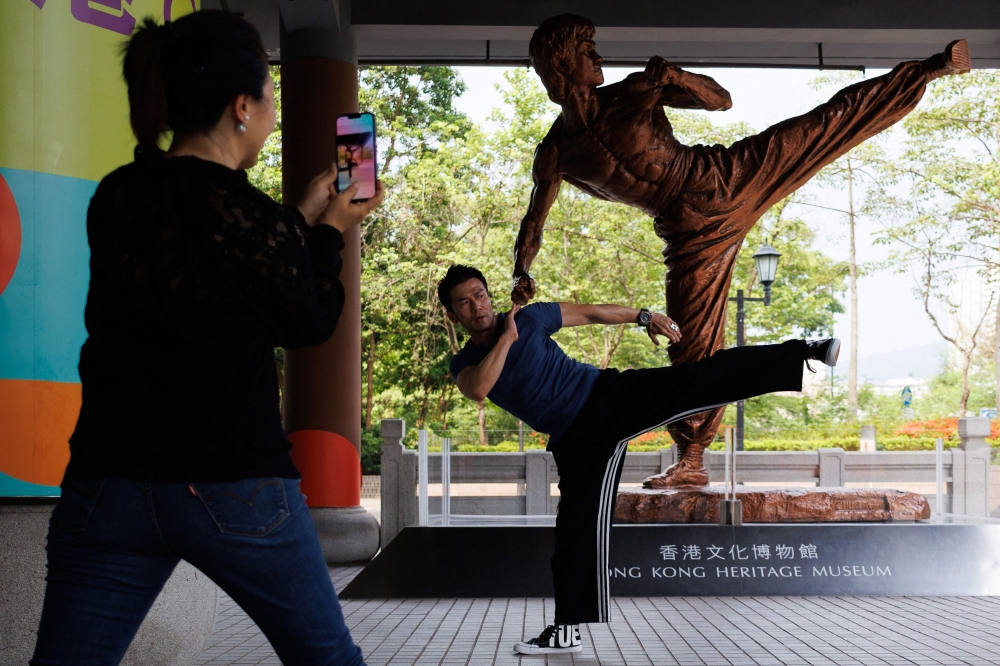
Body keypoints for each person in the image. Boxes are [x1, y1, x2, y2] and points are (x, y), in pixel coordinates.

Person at [31, 12, 383, 666]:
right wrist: (329, 230)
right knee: (327, 659)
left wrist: (298, 219)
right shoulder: (254, 221)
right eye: (271, 99)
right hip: (233, 483)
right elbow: (305, 321)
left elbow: (199, 266)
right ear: (242, 107)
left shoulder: (118, 194)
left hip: (110, 481)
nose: (274, 113)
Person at [509, 14, 970, 487]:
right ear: (563, 68)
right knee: (690, 347)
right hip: (688, 232)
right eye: (588, 51)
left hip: (722, 179)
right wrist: (520, 271)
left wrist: (675, 77)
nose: (599, 57)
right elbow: (533, 221)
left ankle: (930, 69)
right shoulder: (556, 152)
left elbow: (720, 101)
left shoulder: (633, 92)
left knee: (820, 126)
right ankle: (692, 458)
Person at [438, 264, 840, 655]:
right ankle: (567, 630)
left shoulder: (532, 318)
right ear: (453, 314)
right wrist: (507, 339)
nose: (478, 306)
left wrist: (645, 316)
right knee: (574, 532)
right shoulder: (465, 362)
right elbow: (478, 389)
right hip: (575, 440)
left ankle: (803, 353)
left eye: (481, 295)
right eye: (465, 302)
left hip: (607, 396)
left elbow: (594, 312)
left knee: (696, 378)